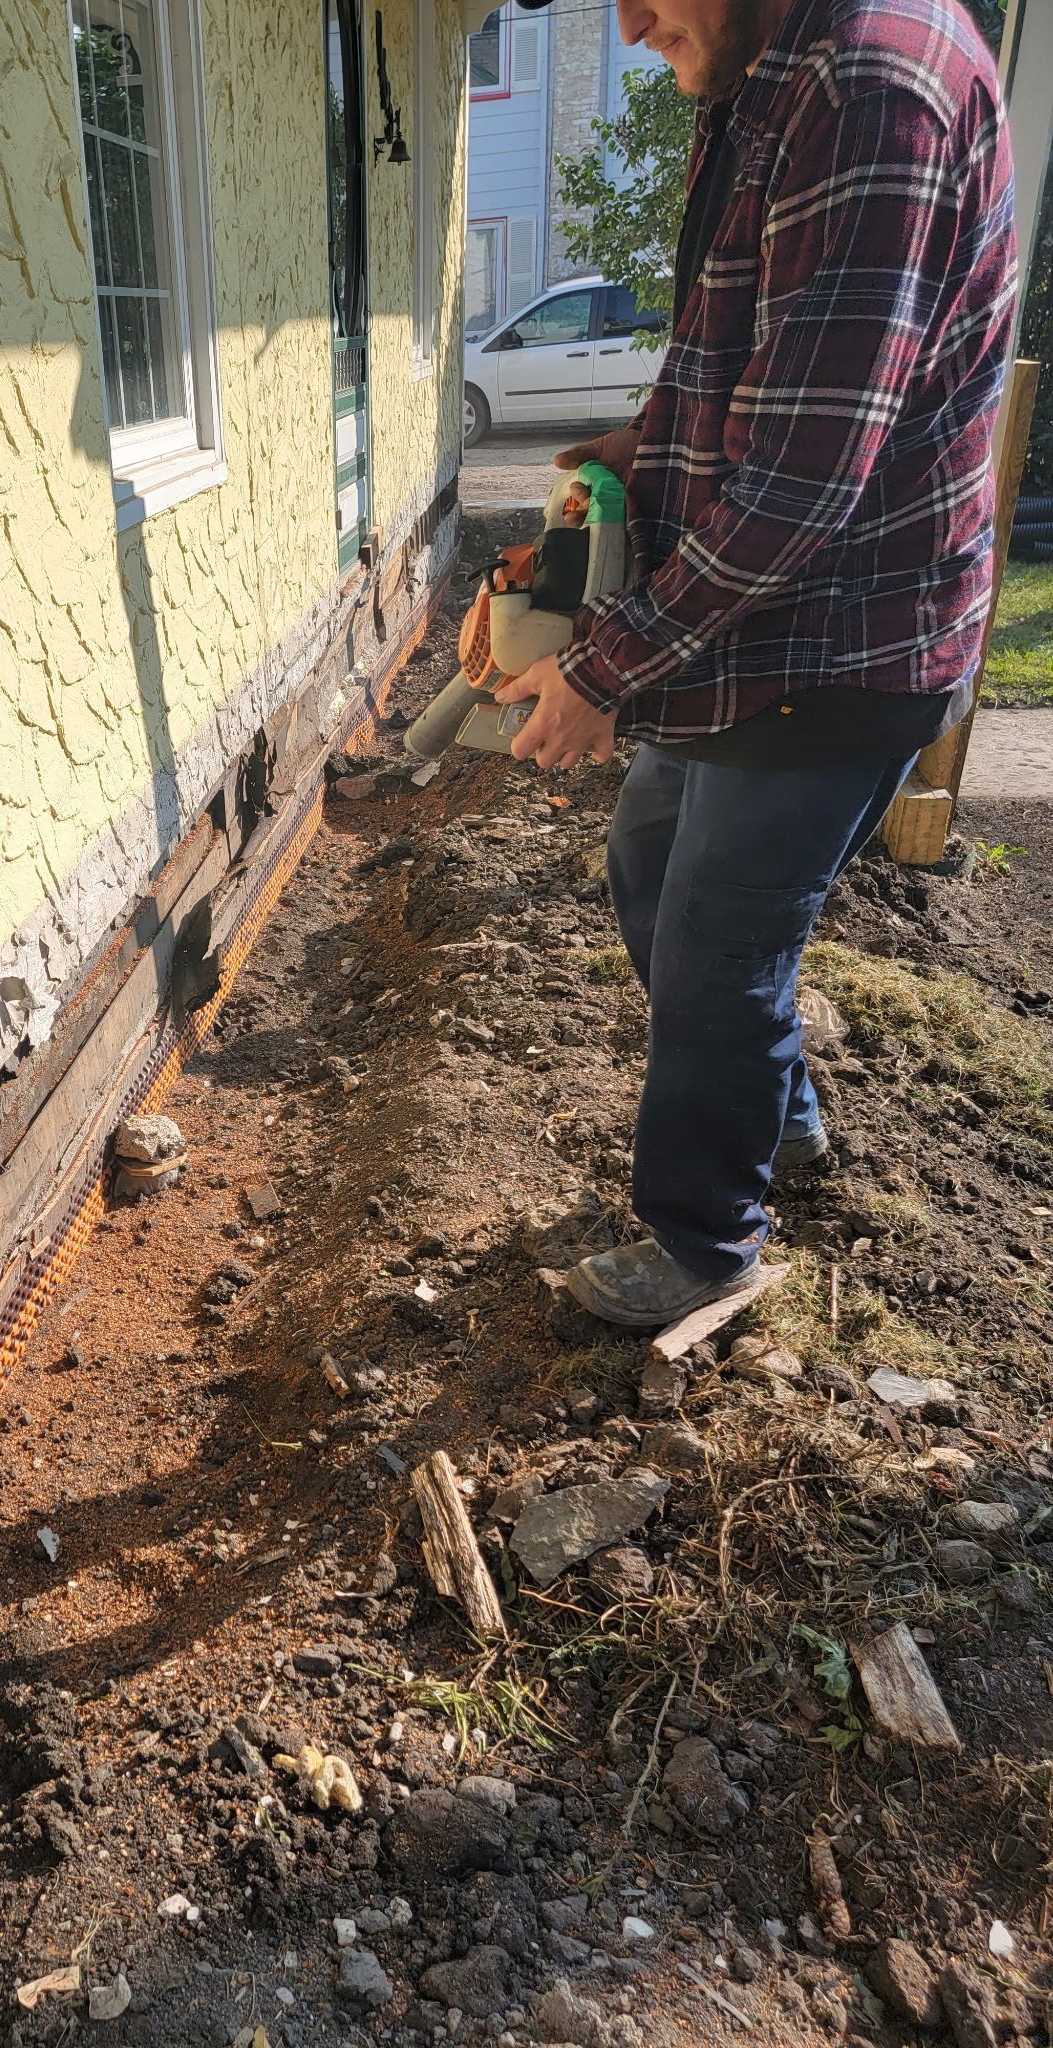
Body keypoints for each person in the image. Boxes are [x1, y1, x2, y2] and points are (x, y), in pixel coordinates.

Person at [491, 0, 1015, 1327]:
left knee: (720, 946)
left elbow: (799, 484)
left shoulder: (866, 92)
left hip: (840, 636)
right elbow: (734, 358)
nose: (627, 27)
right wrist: (630, 452)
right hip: (762, 622)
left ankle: (706, 1246)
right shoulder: (768, 76)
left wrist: (599, 673)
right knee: (651, 869)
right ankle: (778, 1119)